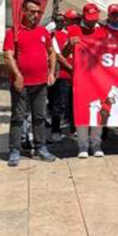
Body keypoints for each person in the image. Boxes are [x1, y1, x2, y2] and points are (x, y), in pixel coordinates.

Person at [3, 0, 58, 167]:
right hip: (21, 84)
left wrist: (51, 72)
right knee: (18, 117)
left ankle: (40, 147)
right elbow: (8, 56)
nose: (36, 15)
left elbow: (52, 53)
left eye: (38, 12)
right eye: (32, 11)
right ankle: (14, 150)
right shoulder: (14, 32)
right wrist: (18, 76)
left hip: (41, 83)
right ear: (24, 12)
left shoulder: (43, 32)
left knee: (39, 117)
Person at [66, 3, 110, 158]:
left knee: (99, 110)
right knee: (82, 110)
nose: (92, 22)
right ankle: (83, 146)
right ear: (84, 16)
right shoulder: (73, 30)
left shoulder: (103, 32)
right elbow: (65, 53)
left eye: (94, 18)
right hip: (80, 78)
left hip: (99, 78)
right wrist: (69, 45)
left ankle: (96, 143)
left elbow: (111, 52)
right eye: (89, 19)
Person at [49, 9, 77, 142]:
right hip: (62, 74)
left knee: (74, 103)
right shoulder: (52, 35)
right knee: (59, 104)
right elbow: (57, 56)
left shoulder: (71, 34)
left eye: (63, 20)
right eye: (58, 20)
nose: (61, 23)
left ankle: (73, 128)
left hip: (76, 76)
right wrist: (71, 68)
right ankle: (55, 130)